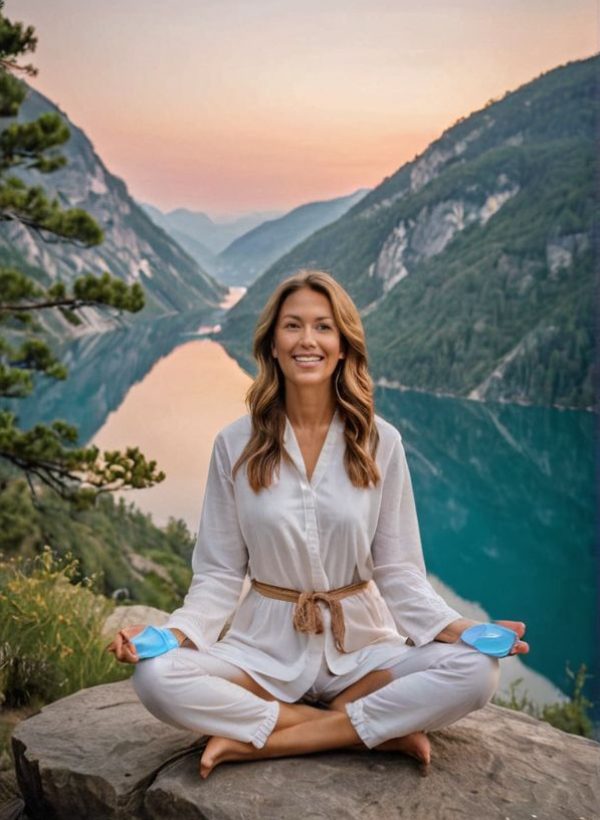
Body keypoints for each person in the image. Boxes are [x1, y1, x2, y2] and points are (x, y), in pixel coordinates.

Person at [107, 269, 529, 779]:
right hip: (262, 655)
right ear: (272, 345)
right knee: (156, 678)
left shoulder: (382, 442)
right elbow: (219, 576)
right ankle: (364, 730)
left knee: (478, 671)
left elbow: (398, 571)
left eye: (323, 327)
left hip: (363, 655)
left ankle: (267, 740)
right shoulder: (234, 444)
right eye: (293, 326)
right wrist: (171, 634)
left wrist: (461, 629)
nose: (308, 340)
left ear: (344, 345)